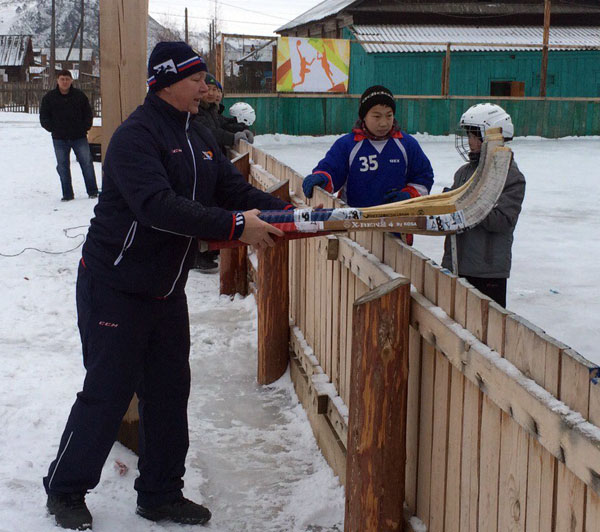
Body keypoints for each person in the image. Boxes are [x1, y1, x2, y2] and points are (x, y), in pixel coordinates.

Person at [43, 41, 292, 531]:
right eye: (197, 78)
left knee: (169, 391)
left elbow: (231, 189)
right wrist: (238, 227)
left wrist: (289, 214)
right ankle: (66, 488)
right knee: (108, 391)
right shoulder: (135, 137)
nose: (206, 87)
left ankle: (160, 493)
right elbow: (158, 206)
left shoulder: (197, 135)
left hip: (164, 289)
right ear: (167, 80)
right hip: (115, 284)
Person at [302, 85, 434, 243]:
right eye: (377, 116)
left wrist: (409, 196)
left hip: (397, 231)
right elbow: (331, 170)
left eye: (389, 116)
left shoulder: (407, 145)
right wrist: (322, 178)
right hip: (354, 229)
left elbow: (423, 178)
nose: (384, 123)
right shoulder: (348, 145)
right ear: (364, 116)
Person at [441, 103, 526, 307]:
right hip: (456, 264)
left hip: (487, 271)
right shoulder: (463, 173)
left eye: (474, 136)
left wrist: (464, 206)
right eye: (468, 136)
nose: (469, 142)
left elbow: (502, 221)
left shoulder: (510, 177)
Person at [40, 69, 99, 201]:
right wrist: (53, 128)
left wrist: (85, 127)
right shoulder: (49, 98)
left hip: (79, 137)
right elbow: (44, 117)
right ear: (57, 80)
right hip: (59, 139)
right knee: (62, 166)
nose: (65, 82)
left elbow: (88, 113)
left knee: (87, 164)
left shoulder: (79, 96)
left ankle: (93, 191)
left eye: (67, 79)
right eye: (62, 79)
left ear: (71, 80)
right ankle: (67, 194)